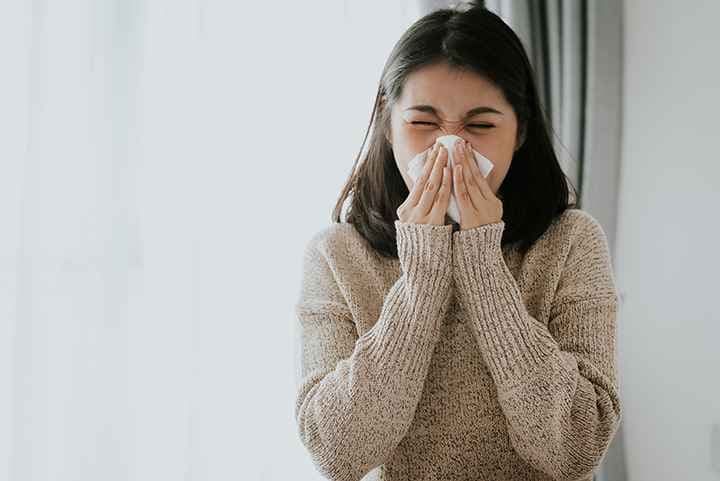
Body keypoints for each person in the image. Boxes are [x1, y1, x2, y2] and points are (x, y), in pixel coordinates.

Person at [293, 4, 622, 481]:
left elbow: (576, 449)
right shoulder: (336, 255)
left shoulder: (571, 243)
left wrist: (483, 264)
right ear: (389, 126)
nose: (451, 150)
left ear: (520, 132)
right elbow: (337, 453)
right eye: (423, 124)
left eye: (481, 126)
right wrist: (423, 275)